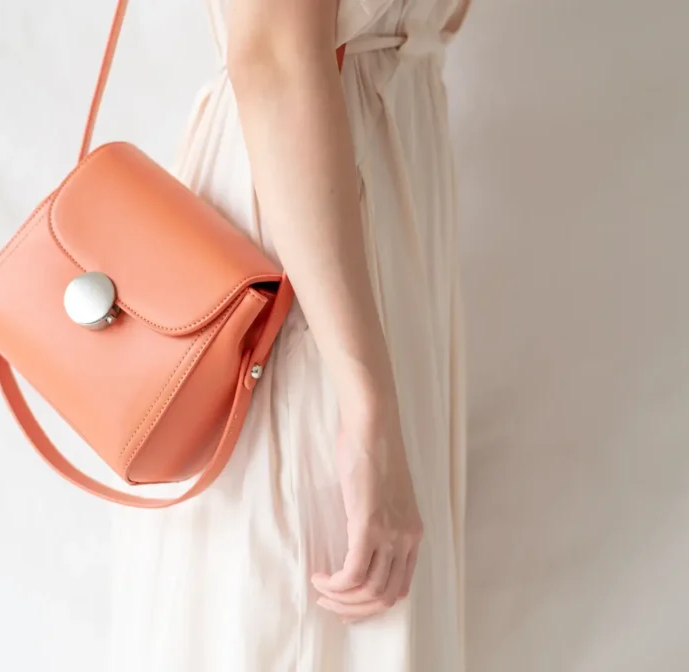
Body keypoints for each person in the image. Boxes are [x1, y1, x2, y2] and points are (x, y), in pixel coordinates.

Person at [109, 0, 470, 669]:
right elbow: (274, 58)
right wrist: (368, 406)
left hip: (366, 214)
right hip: (310, 243)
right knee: (295, 608)